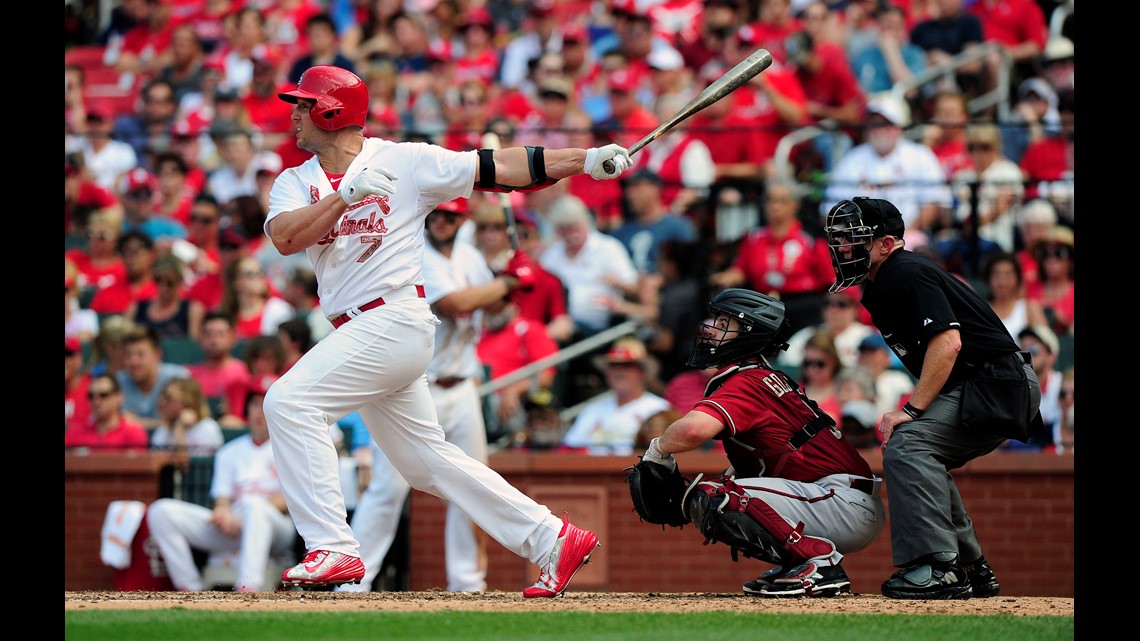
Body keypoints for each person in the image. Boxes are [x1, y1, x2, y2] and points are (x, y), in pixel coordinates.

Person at [261, 65, 630, 596]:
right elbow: (285, 239)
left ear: (332, 110)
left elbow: (497, 165)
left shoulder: (405, 159)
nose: (294, 114)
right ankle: (551, 536)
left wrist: (587, 161)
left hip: (394, 318)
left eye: (303, 104)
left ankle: (333, 549)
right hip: (359, 330)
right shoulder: (294, 180)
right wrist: (346, 197)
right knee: (425, 464)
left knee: (288, 403)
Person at [823, 196, 1041, 599]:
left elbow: (948, 343)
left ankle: (939, 567)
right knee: (919, 452)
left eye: (854, 240)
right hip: (987, 383)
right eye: (840, 241)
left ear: (887, 244)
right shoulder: (884, 280)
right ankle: (970, 567)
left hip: (995, 383)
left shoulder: (905, 271)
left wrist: (911, 409)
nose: (844, 249)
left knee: (908, 446)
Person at [636, 287, 885, 597]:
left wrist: (657, 450)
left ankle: (819, 561)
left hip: (839, 501)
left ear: (750, 334)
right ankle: (797, 562)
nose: (711, 329)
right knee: (725, 487)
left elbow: (691, 432)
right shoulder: (761, 377)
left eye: (725, 323)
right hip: (837, 499)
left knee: (719, 496)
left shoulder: (748, 380)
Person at [343, 197, 527, 593]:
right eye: (437, 214)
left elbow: (491, 308)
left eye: (450, 215)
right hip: (413, 388)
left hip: (461, 386)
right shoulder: (414, 250)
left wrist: (509, 278)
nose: (441, 221)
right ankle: (354, 581)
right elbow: (455, 304)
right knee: (388, 489)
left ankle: (467, 582)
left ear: (462, 220)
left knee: (472, 485)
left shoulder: (468, 255)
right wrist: (509, 281)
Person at [146, 386, 299, 593]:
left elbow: (289, 498)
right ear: (247, 410)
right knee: (161, 511)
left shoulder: (290, 448)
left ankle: (248, 587)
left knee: (254, 505)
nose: (259, 411)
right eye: (255, 404)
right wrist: (223, 513)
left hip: (278, 529)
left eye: (265, 403)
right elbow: (222, 498)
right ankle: (191, 588)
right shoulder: (230, 451)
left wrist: (247, 513)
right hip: (234, 525)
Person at [821, 95, 952, 240]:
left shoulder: (920, 155)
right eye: (873, 124)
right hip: (860, 240)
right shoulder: (852, 160)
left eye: (885, 124)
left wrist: (901, 237)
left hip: (908, 237)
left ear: (899, 127)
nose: (878, 130)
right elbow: (830, 210)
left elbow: (932, 204)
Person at [560, 337, 672, 456]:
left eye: (627, 365)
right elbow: (567, 451)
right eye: (613, 365)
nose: (619, 371)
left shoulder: (660, 409)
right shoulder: (592, 409)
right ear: (607, 372)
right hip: (594, 472)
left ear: (642, 372)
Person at [117, 324, 194, 431]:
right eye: (128, 355)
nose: (134, 362)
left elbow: (188, 420)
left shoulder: (178, 377)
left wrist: (139, 422)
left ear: (157, 354)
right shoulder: (117, 382)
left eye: (140, 354)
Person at [187, 312, 253, 428]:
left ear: (233, 337)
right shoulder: (190, 375)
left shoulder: (245, 372)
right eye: (209, 335)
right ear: (200, 337)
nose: (214, 341)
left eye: (221, 334)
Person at [65, 373, 150, 452]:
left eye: (103, 395)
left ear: (119, 397)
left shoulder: (133, 434)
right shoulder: (75, 434)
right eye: (91, 396)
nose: (96, 402)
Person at [150, 377, 225, 456]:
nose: (162, 402)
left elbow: (191, 467)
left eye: (169, 397)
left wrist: (179, 430)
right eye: (162, 396)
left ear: (187, 401)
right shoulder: (162, 431)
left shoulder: (207, 428)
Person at [981, 251, 1047, 341]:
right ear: (988, 279)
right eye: (996, 275)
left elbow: (1046, 344)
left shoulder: (1030, 308)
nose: (1002, 282)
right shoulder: (981, 311)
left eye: (1008, 275)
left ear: (1017, 279)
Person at [854, 333, 916, 422]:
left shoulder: (898, 379)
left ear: (886, 356)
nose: (867, 358)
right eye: (864, 354)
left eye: (872, 354)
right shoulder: (852, 379)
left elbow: (907, 409)